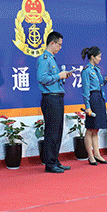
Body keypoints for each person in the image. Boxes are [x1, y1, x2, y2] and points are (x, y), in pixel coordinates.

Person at [37, 31, 72, 173]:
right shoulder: (44, 58)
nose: (60, 47)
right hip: (50, 98)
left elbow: (52, 78)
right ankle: (50, 164)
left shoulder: (52, 59)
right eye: (59, 44)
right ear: (52, 43)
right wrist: (59, 75)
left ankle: (55, 160)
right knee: (52, 132)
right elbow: (42, 78)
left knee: (57, 131)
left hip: (57, 97)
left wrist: (62, 77)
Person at [80, 46, 107, 165]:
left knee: (96, 129)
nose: (100, 58)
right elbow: (85, 91)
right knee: (90, 129)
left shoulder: (97, 69)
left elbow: (100, 83)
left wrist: (106, 79)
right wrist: (87, 106)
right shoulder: (86, 71)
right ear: (92, 57)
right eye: (98, 56)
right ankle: (90, 156)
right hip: (92, 99)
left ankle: (97, 154)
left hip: (99, 98)